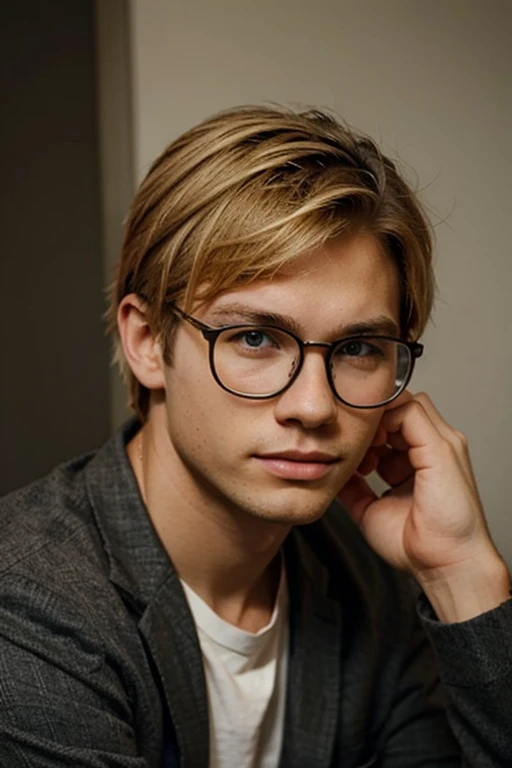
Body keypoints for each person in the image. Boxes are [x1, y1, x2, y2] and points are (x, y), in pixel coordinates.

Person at [0, 105, 511, 768]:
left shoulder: (369, 581)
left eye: (357, 347)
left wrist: (464, 577)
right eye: (255, 338)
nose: (313, 405)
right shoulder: (29, 605)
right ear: (147, 342)